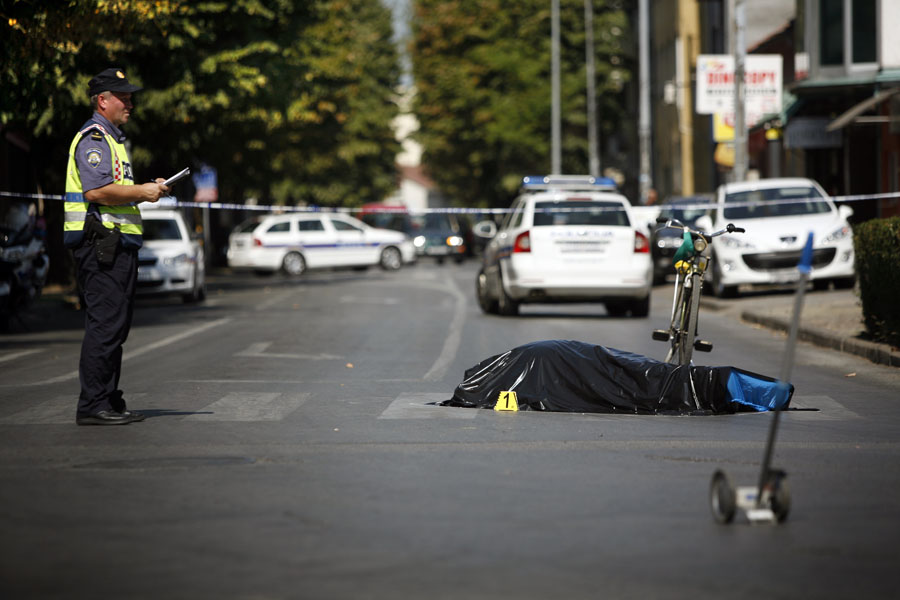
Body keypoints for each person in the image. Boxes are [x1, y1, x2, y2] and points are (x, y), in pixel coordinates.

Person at [64, 68, 168, 425]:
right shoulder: (94, 138)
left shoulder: (114, 139)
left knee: (115, 326)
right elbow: (95, 192)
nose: (130, 103)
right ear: (102, 100)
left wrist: (147, 188)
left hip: (115, 244)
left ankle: (108, 398)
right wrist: (143, 192)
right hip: (100, 244)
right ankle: (93, 405)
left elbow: (115, 189)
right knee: (105, 325)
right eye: (123, 97)